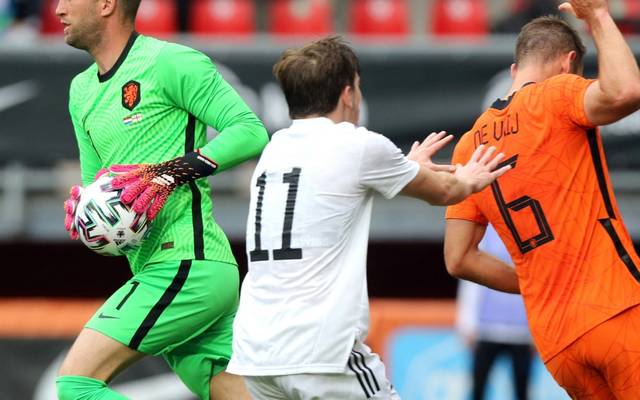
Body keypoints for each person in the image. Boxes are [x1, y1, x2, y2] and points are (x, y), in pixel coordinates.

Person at [226, 36, 510, 400]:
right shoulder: (357, 144)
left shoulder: (275, 148)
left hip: (258, 355)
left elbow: (336, 184)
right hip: (321, 352)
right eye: (358, 86)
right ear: (347, 94)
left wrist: (408, 167)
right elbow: (445, 192)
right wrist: (471, 176)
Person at [56, 0, 268, 398]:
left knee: (75, 386)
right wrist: (88, 219)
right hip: (158, 268)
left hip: (187, 264)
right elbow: (99, 191)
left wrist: (166, 175)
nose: (58, 9)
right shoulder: (80, 90)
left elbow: (250, 130)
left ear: (106, 4)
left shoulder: (171, 62)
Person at [443, 0, 640, 397]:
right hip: (616, 308)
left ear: (515, 70)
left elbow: (458, 259)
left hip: (556, 338)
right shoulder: (557, 94)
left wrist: (538, 284)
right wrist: (600, 17)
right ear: (568, 64)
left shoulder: (467, 147)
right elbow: (627, 92)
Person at [456, 225, 532, 400]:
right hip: (487, 329)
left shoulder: (529, 227)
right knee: (478, 388)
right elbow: (471, 281)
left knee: (522, 390)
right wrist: (466, 323)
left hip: (521, 332)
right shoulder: (483, 230)